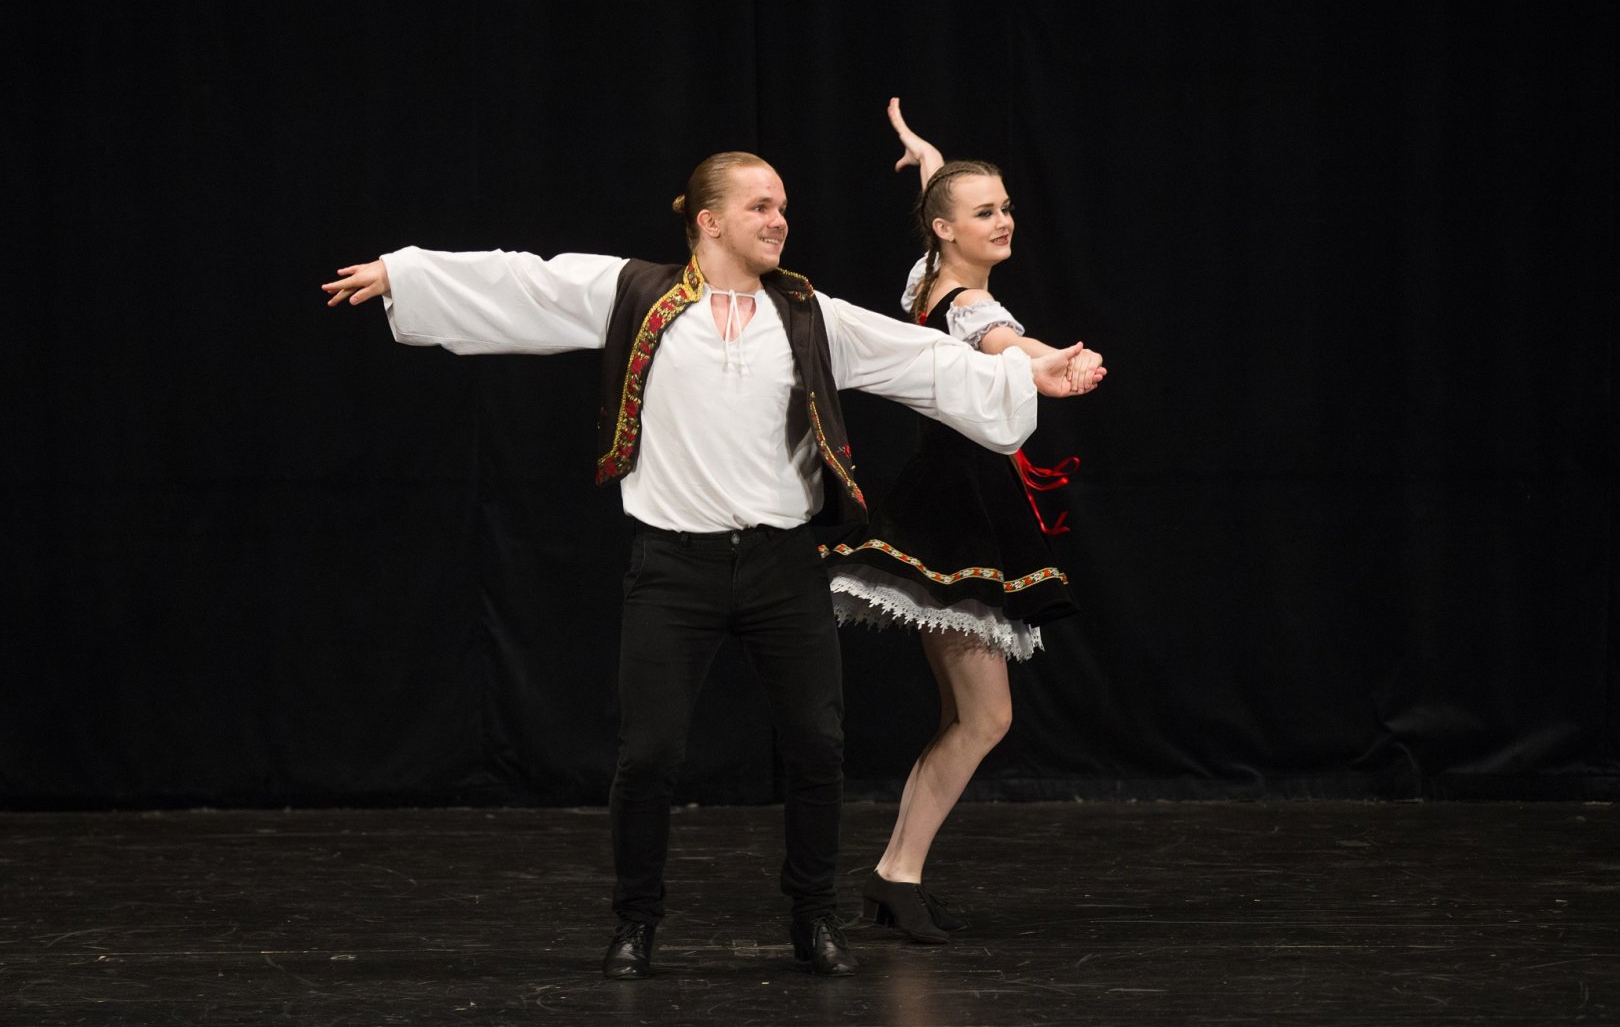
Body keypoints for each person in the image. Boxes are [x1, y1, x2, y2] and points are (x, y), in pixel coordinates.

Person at [321, 150, 1104, 979]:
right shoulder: (639, 294)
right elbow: (529, 283)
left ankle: (814, 918)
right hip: (675, 569)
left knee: (816, 748)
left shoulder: (806, 313)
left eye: (783, 207)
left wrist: (1026, 369)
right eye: (761, 206)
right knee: (649, 756)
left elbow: (920, 358)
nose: (779, 220)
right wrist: (407, 275)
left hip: (781, 567)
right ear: (709, 220)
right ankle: (637, 922)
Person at [825, 100, 1107, 944]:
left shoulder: (927, 281)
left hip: (948, 506)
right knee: (986, 718)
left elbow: (937, 241)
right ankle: (895, 875)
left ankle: (895, 876)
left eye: (1007, 207)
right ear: (947, 229)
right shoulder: (971, 309)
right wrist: (1057, 359)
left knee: (970, 717)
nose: (1005, 221)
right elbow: (1001, 344)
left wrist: (929, 160)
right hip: (958, 521)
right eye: (986, 212)